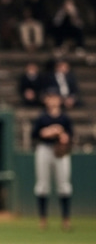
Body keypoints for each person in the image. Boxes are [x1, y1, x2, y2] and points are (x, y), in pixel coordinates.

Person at [31, 88, 74, 231]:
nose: (53, 100)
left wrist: (63, 135)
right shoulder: (42, 117)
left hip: (60, 151)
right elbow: (34, 134)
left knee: (64, 185)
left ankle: (66, 220)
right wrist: (47, 132)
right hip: (44, 149)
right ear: (46, 100)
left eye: (55, 97)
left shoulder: (65, 118)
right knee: (42, 185)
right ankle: (43, 219)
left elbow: (70, 135)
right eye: (50, 97)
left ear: (60, 100)